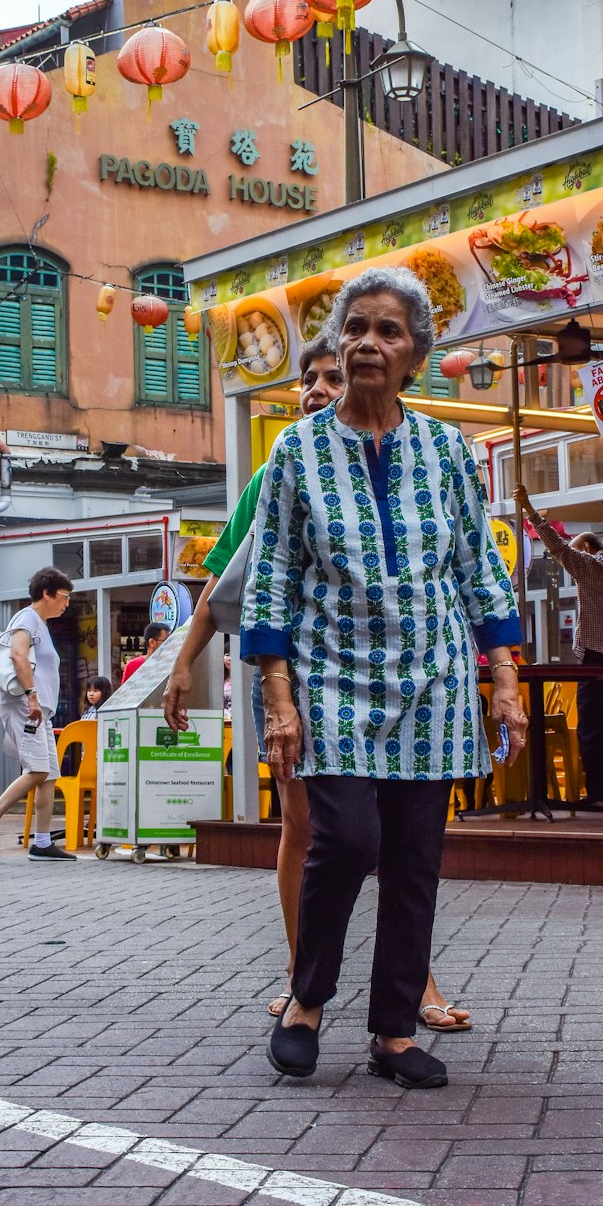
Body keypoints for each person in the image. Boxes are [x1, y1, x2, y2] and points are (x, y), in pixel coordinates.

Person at [246, 267, 527, 1090]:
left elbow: (481, 568)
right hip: (332, 676)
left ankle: (393, 1033)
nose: (369, 343)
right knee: (347, 838)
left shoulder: (446, 449)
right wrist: (278, 696)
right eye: (357, 328)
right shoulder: (295, 450)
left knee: (415, 856)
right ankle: (306, 1002)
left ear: (414, 354)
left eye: (389, 332)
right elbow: (271, 579)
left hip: (434, 682)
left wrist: (502, 680)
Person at [163, 338, 471, 1031]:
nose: (315, 388)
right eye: (309, 379)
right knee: (307, 829)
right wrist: (184, 662)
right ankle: (307, 985)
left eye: (332, 376)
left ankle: (414, 983)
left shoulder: (423, 463)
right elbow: (228, 580)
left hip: (396, 684)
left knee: (399, 838)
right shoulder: (282, 468)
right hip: (295, 680)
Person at [516, 483, 603, 810]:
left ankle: (602, 794)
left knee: (591, 732)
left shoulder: (587, 568)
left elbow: (558, 547)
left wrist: (530, 510)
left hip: (596, 659)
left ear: (586, 551)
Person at [0, 567, 77, 862]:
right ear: (47, 593)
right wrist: (32, 695)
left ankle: (41, 842)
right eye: (64, 596)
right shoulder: (27, 617)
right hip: (25, 706)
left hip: (37, 710)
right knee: (38, 770)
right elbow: (18, 654)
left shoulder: (38, 622)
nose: (67, 603)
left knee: (49, 775)